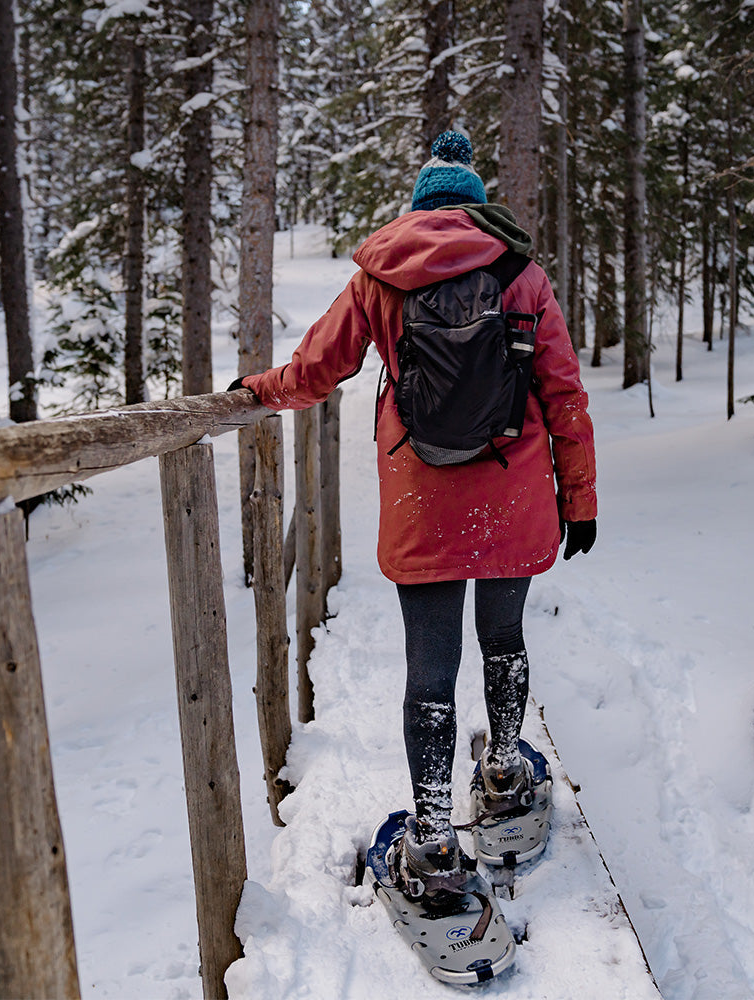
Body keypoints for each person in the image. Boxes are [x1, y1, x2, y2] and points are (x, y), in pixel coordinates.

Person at [233, 130, 596, 910]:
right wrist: (580, 499)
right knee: (504, 640)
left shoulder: (378, 277)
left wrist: (256, 391)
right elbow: (563, 393)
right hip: (515, 489)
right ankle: (503, 775)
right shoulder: (521, 272)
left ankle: (432, 842)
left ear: (419, 207)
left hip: (421, 498)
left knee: (430, 672)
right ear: (474, 205)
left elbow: (316, 372)